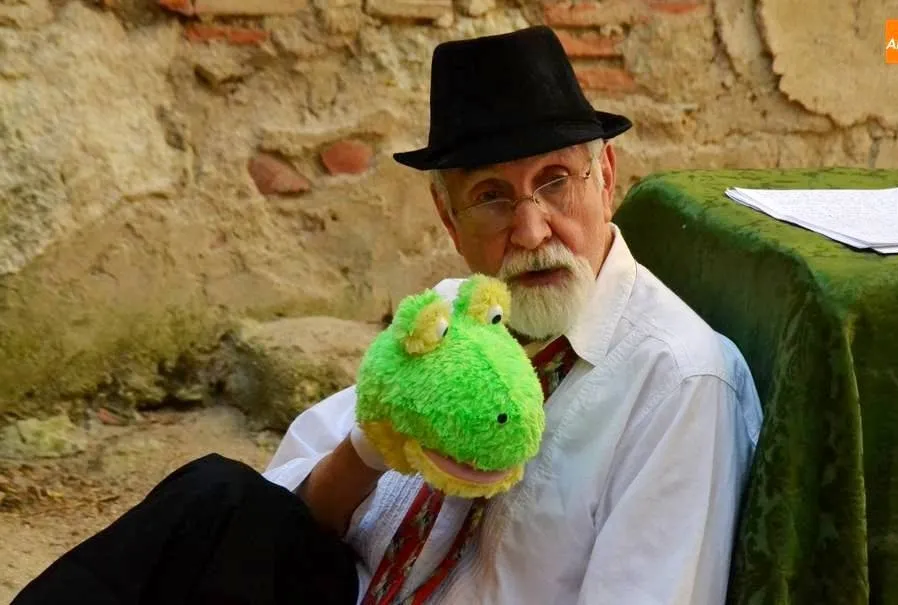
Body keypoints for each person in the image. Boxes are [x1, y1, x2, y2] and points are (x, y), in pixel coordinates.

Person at [12, 25, 762, 605]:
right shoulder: (452, 312)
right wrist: (373, 445)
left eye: (555, 181)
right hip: (354, 589)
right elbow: (296, 511)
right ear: (448, 217)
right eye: (492, 196)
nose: (532, 230)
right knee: (216, 499)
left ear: (606, 178)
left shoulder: (679, 380)